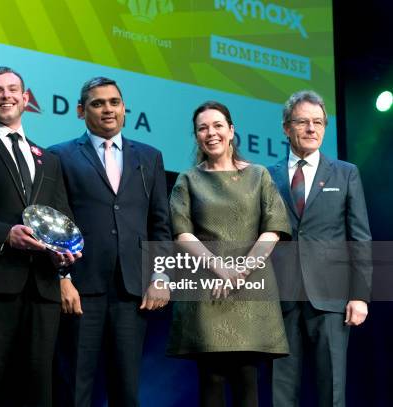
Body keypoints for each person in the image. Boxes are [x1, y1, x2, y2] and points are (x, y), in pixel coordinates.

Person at [0, 66, 80, 407]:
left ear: (26, 99)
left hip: (43, 288)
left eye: (12, 89)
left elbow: (63, 218)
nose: (6, 96)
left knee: (38, 388)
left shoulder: (49, 159)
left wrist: (65, 255)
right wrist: (6, 234)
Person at [49, 77, 171, 407]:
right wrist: (63, 279)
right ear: (80, 111)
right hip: (81, 289)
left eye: (114, 102)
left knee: (126, 389)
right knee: (74, 386)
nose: (108, 110)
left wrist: (160, 275)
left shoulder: (150, 157)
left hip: (133, 291)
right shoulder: (58, 156)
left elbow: (160, 223)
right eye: (98, 103)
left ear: (124, 109)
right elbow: (56, 225)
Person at [167, 101, 291, 406]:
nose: (211, 133)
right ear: (196, 136)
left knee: (247, 377)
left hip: (251, 286)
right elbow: (182, 233)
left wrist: (242, 270)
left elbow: (273, 228)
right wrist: (220, 268)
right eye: (203, 128)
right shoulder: (188, 179)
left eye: (218, 125)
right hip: (208, 288)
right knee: (211, 378)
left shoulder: (259, 175)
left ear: (231, 130)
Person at [269, 90, 372, 407]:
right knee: (281, 389)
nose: (312, 129)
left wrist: (359, 295)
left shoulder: (345, 172)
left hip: (331, 298)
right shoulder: (266, 176)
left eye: (318, 122)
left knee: (332, 389)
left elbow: (360, 237)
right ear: (287, 128)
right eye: (303, 122)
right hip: (281, 298)